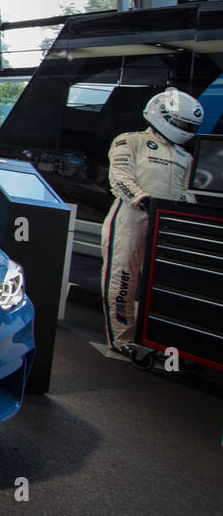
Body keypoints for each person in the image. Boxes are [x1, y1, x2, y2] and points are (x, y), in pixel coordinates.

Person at [101, 89, 203, 356]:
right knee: (123, 279)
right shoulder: (130, 140)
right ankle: (123, 340)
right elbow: (120, 177)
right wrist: (142, 199)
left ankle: (155, 340)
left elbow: (186, 191)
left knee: (159, 284)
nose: (184, 129)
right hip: (130, 219)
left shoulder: (186, 157)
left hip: (166, 226)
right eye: (181, 123)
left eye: (189, 126)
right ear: (162, 115)